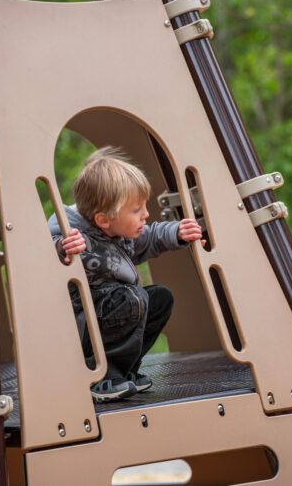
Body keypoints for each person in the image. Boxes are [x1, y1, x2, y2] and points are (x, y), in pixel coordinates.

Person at [48, 146, 205, 403]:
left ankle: (125, 371)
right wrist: (62, 249)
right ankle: (102, 376)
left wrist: (176, 232)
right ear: (103, 220)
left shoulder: (120, 233)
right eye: (136, 210)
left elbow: (152, 236)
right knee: (131, 299)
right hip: (83, 329)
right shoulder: (75, 238)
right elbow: (45, 255)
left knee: (159, 298)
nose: (146, 214)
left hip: (115, 308)